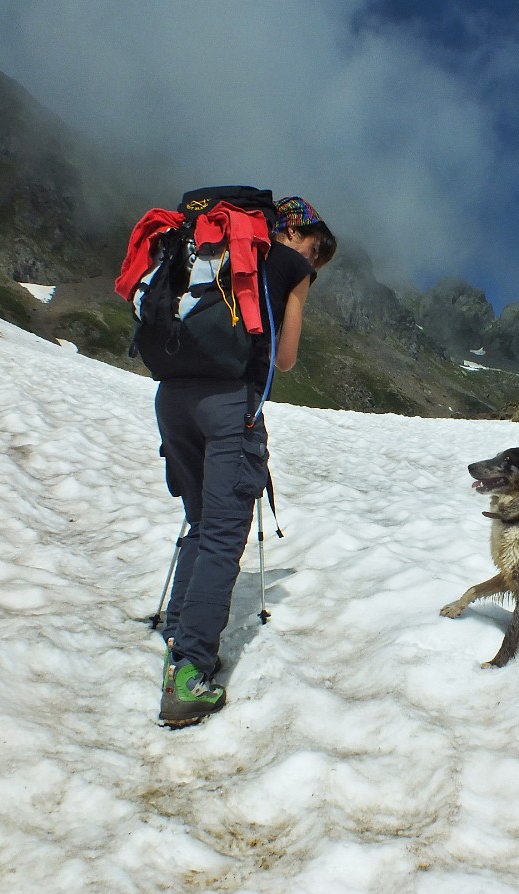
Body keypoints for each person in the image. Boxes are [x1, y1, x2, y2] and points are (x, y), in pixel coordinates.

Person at [156, 195, 337, 727]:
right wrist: (297, 293)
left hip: (172, 397)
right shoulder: (289, 265)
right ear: (299, 235)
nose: (314, 264)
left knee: (200, 520)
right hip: (227, 403)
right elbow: (286, 357)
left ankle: (178, 626)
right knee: (223, 533)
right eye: (316, 252)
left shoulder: (223, 252)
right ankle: (189, 673)